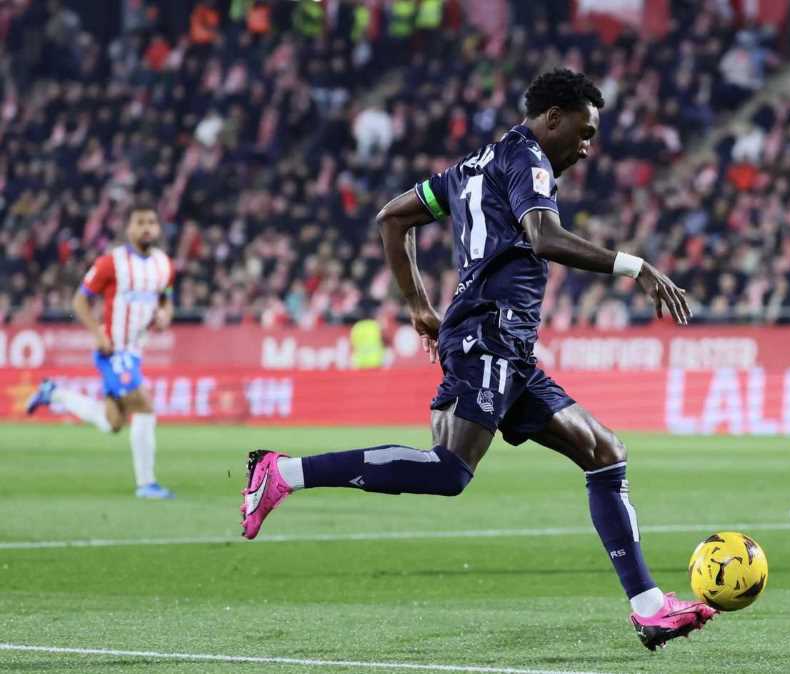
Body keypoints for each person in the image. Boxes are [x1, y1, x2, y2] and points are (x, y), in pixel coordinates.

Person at [237, 69, 715, 649]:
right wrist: (635, 266)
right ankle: (281, 473)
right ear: (554, 117)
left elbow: (394, 217)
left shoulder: (472, 165)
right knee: (449, 470)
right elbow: (543, 237)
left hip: (502, 342)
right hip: (489, 332)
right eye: (585, 132)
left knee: (605, 452)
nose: (589, 147)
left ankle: (648, 608)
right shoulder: (529, 158)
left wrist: (419, 306)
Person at [26, 205, 176, 499]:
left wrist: (165, 315)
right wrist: (97, 332)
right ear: (129, 228)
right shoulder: (112, 263)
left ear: (157, 228)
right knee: (144, 405)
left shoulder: (163, 264)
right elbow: (79, 301)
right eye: (140, 222)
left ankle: (54, 393)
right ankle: (147, 484)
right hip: (113, 349)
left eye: (151, 222)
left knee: (113, 423)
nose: (146, 227)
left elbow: (166, 299)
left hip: (134, 351)